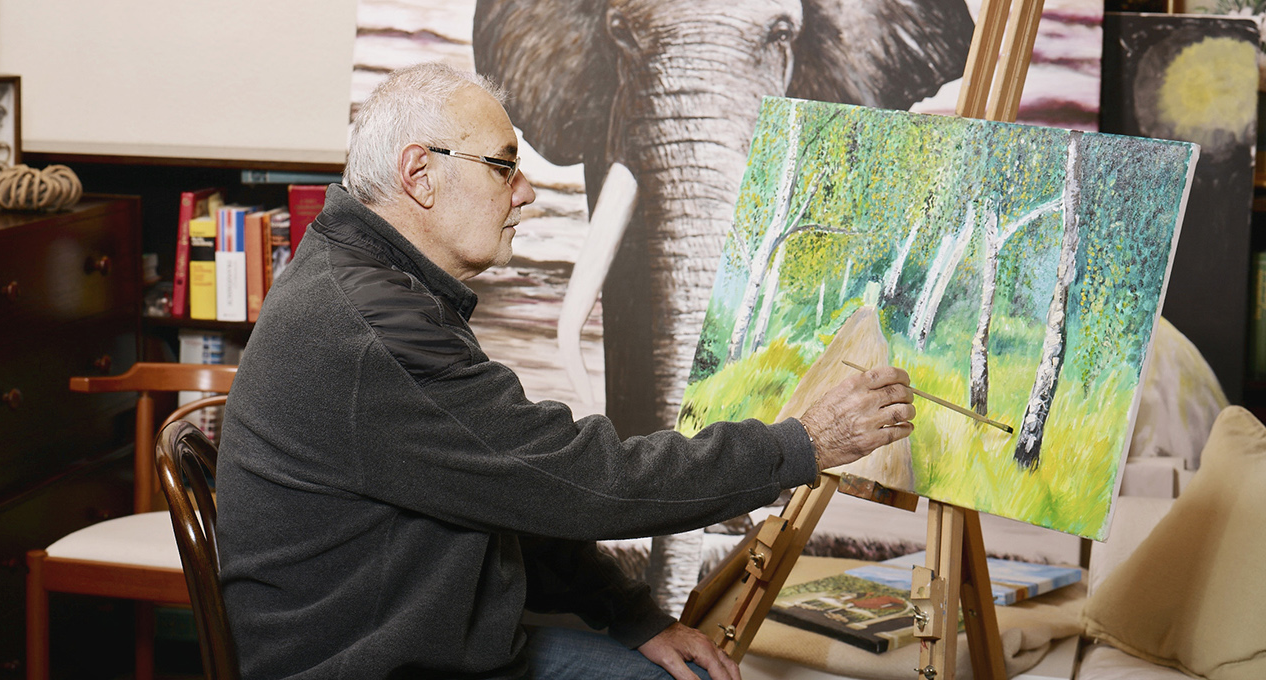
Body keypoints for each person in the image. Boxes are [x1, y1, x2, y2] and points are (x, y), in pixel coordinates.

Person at [215, 62, 916, 680]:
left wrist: (629, 614)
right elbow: (577, 480)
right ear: (419, 174)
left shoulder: (373, 285)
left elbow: (504, 492)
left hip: (440, 643)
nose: (526, 194)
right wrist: (800, 444)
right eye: (502, 166)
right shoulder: (376, 330)